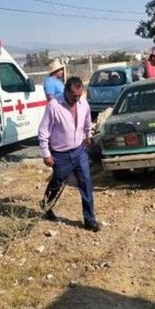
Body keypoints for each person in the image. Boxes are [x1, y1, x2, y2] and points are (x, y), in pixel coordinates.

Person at [37, 77, 102, 232]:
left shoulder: (83, 103)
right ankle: (46, 206)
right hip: (60, 154)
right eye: (74, 96)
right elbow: (43, 131)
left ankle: (89, 220)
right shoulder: (54, 106)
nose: (77, 99)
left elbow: (87, 120)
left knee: (86, 183)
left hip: (79, 150)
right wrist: (46, 154)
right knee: (57, 182)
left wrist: (88, 134)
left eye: (79, 95)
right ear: (66, 91)